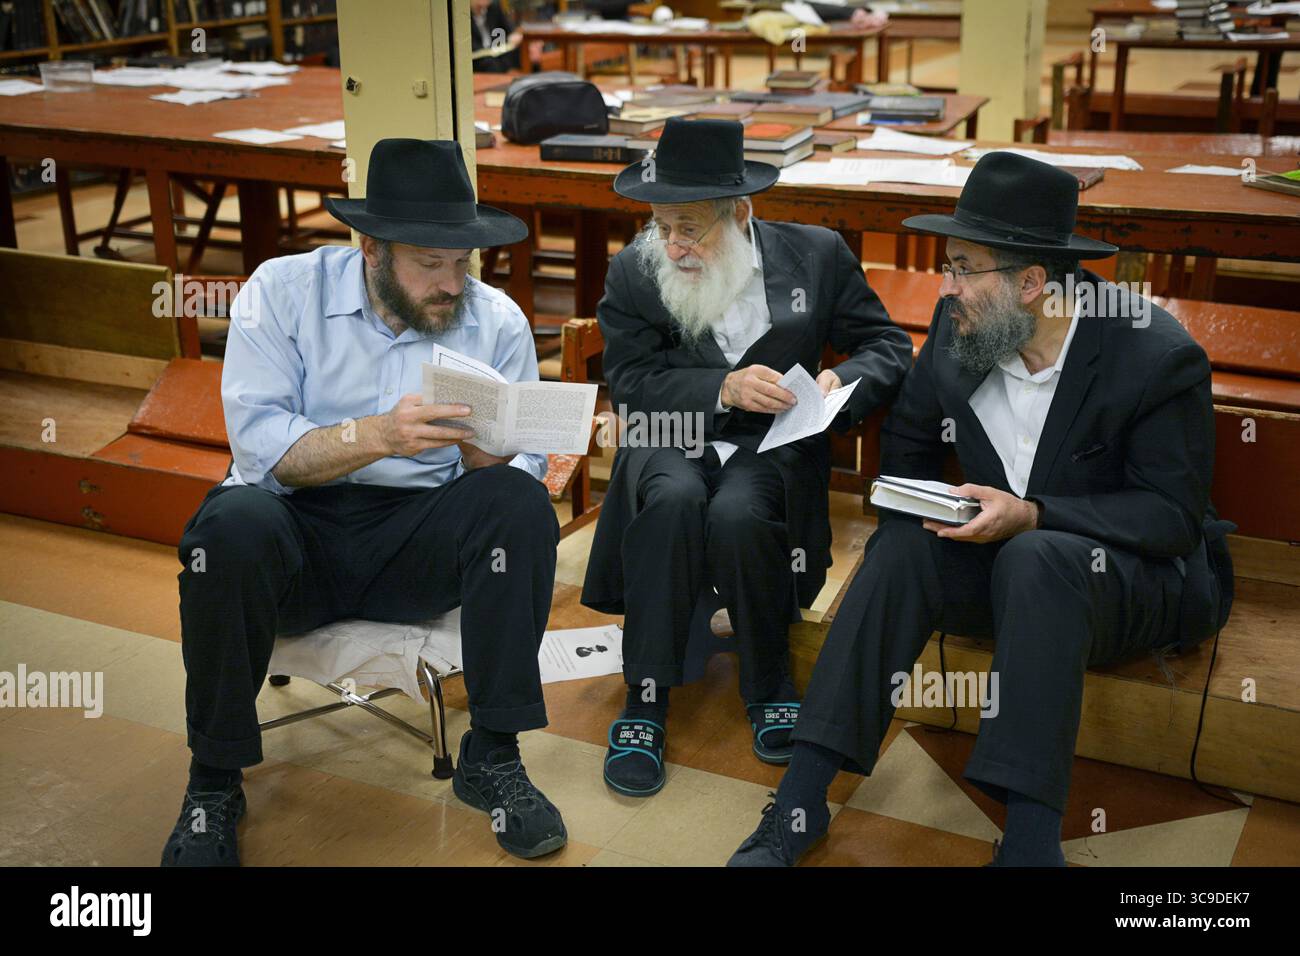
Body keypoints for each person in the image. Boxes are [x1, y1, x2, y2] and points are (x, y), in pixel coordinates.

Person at [729, 151, 1233, 867]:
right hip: (1006, 570)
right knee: (902, 547)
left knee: (1038, 554)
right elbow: (907, 446)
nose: (948, 286)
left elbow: (1171, 518)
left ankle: (1030, 843)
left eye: (964, 268)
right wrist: (923, 505)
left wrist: (1034, 514)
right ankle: (801, 804)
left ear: (1032, 283)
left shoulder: (1152, 357)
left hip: (1127, 581)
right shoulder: (963, 331)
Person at [161, 138, 568, 866]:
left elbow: (524, 464)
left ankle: (494, 756)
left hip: (417, 539)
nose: (452, 284)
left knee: (516, 502)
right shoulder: (281, 293)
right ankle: (213, 780)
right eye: (430, 262)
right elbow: (261, 451)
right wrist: (376, 435)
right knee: (226, 527)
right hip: (296, 534)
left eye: (463, 262)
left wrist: (489, 455)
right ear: (371, 248)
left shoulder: (495, 318)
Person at [581, 117, 913, 798]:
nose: (671, 244)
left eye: (690, 228)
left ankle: (769, 683)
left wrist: (840, 384)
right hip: (670, 434)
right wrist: (720, 386)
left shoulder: (816, 256)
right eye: (661, 224)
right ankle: (644, 699)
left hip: (772, 445)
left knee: (738, 511)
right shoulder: (634, 269)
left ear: (740, 212)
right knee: (673, 499)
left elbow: (886, 345)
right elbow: (633, 387)